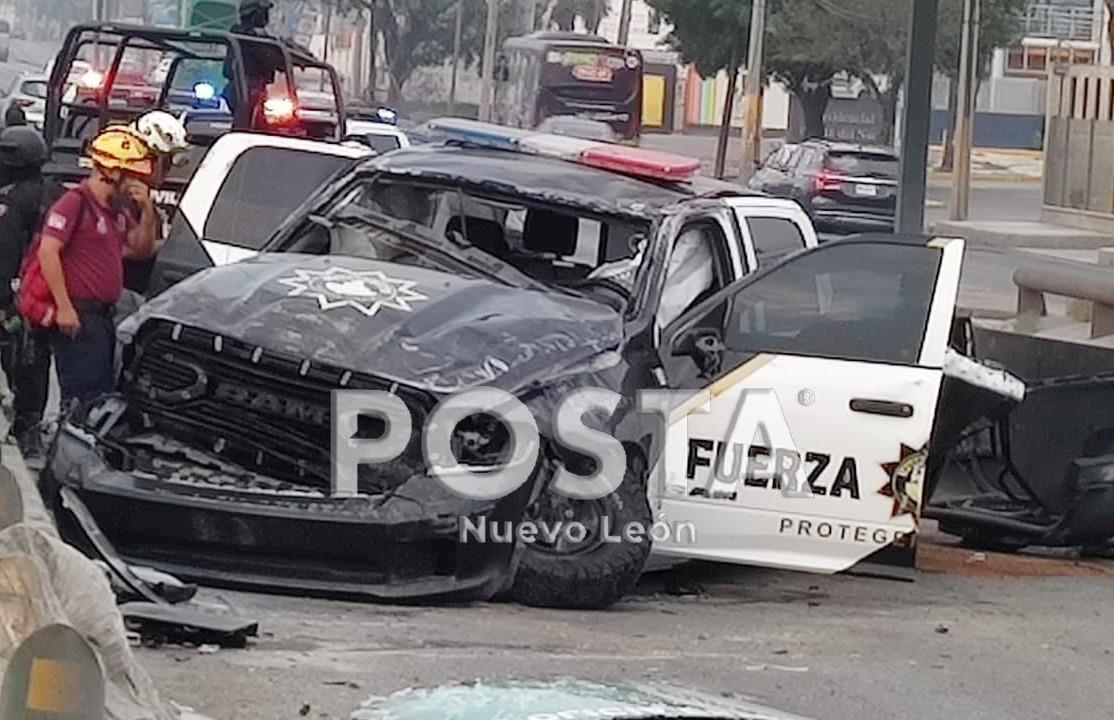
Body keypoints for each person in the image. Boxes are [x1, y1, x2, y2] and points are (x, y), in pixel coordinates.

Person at [38, 126, 162, 408]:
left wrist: (147, 212)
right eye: (131, 176)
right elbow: (48, 252)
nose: (135, 183)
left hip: (105, 316)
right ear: (113, 172)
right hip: (80, 314)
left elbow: (140, 250)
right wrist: (65, 307)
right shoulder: (74, 204)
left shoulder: (115, 209)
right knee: (82, 396)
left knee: (101, 390)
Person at [0, 126, 50, 457]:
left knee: (21, 356)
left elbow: (7, 251)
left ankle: (25, 425)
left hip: (17, 293)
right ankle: (29, 424)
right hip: (40, 293)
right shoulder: (52, 192)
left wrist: (5, 296)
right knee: (33, 359)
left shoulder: (13, 201)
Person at [223, 0, 283, 128]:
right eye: (263, 12)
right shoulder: (250, 36)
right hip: (247, 90)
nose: (266, 16)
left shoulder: (240, 33)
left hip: (244, 89)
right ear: (255, 14)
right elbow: (273, 60)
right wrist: (283, 52)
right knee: (248, 128)